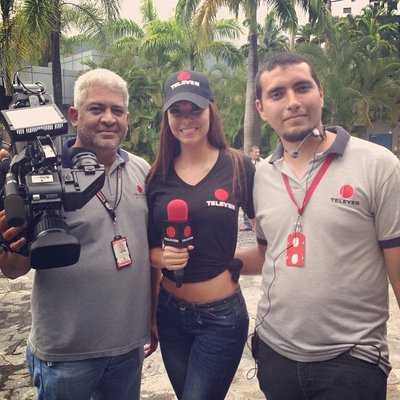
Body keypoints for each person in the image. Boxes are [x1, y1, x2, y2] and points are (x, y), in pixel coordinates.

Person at [236, 52, 400, 400]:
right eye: (277, 94)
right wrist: (214, 261)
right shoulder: (262, 176)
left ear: (320, 93)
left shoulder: (378, 165)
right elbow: (267, 255)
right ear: (261, 108)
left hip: (353, 360)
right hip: (276, 356)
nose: (292, 101)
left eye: (302, 87)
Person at [0, 68, 158, 400]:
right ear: (74, 116)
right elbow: (13, 270)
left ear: (127, 118)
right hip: (65, 355)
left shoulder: (141, 169)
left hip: (128, 348)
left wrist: (153, 318)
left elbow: (151, 253)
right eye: (96, 109)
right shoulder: (42, 173)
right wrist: (10, 244)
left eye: (117, 111)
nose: (108, 119)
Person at [146, 70, 255, 400]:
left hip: (220, 318)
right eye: (177, 111)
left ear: (211, 110)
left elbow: (269, 237)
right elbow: (148, 249)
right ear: (167, 118)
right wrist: (164, 259)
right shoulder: (157, 175)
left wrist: (229, 263)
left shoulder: (238, 166)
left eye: (195, 109)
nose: (186, 119)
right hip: (170, 314)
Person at [241, 145, 263, 231]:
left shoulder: (263, 162)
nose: (257, 154)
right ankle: (248, 224)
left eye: (258, 152)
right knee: (246, 202)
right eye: (255, 152)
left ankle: (257, 224)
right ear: (250, 153)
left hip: (258, 185)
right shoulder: (246, 162)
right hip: (247, 184)